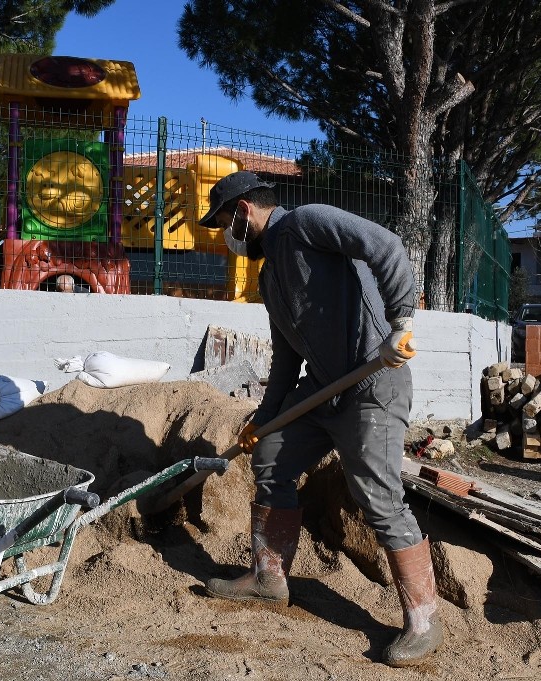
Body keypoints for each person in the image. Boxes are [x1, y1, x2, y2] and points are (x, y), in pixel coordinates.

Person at [197, 171, 441, 667]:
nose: (226, 236)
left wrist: (401, 322)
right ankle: (269, 579)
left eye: (224, 222)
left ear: (243, 212)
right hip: (323, 390)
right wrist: (264, 420)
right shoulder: (270, 277)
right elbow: (286, 357)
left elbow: (387, 246)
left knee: (378, 497)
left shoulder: (308, 224)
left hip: (374, 380)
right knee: (271, 457)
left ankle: (424, 621)